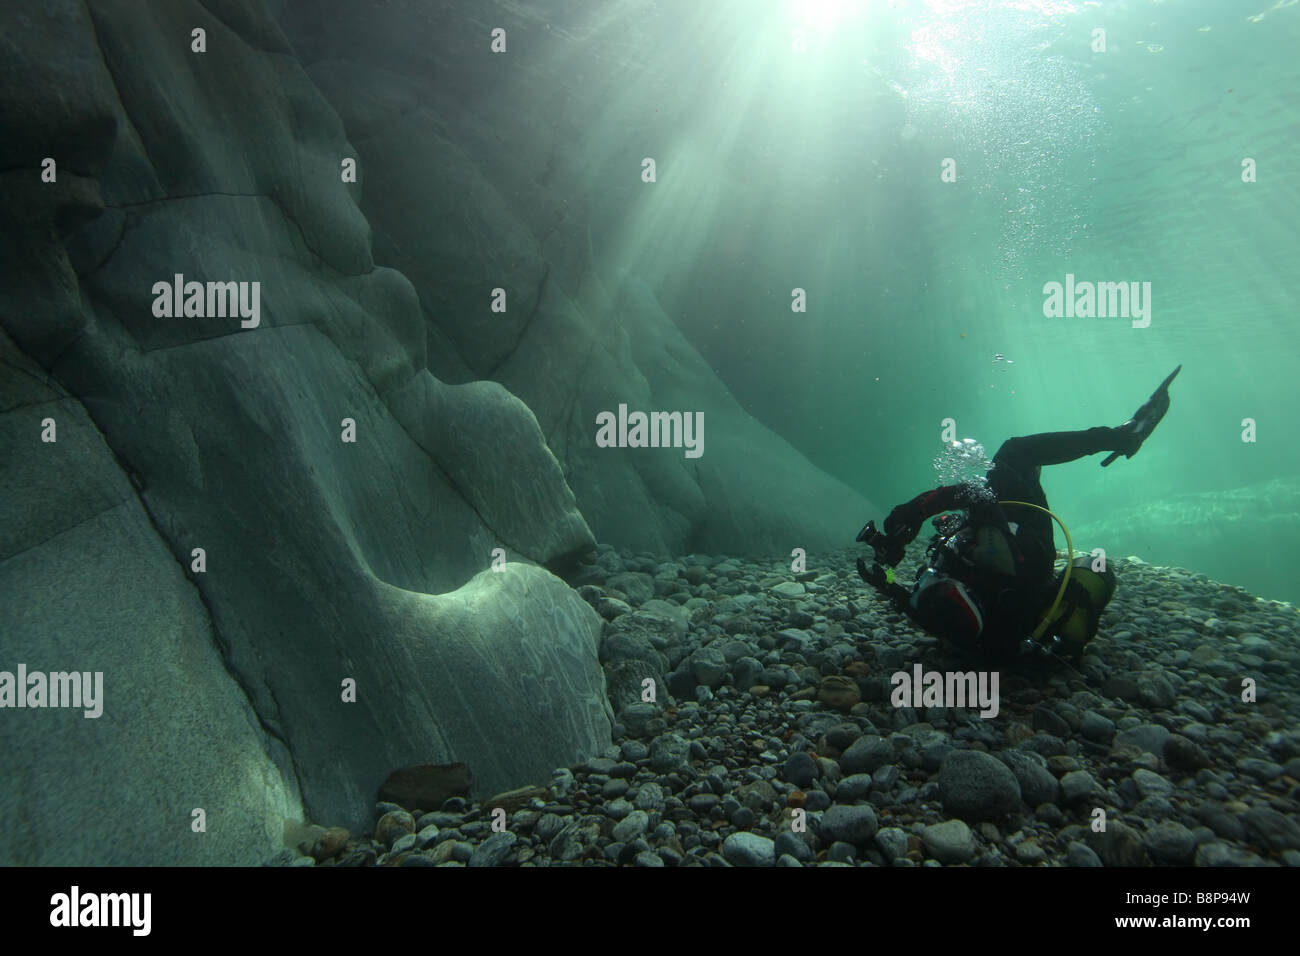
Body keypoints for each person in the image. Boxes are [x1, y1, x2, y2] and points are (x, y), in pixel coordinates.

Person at [857, 367, 1180, 660]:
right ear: (967, 598)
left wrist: (886, 581)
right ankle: (1122, 437)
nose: (930, 576)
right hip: (1027, 553)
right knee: (1013, 455)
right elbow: (978, 498)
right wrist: (916, 510)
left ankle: (1119, 439)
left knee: (1012, 475)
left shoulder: (968, 624)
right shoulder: (999, 578)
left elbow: (918, 606)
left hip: (1021, 573)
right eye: (939, 583)